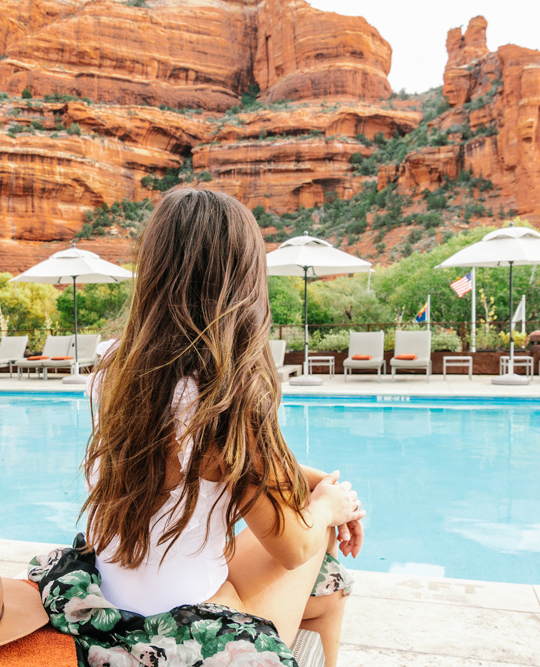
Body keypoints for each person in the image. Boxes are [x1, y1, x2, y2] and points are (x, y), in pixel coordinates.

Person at [30, 189, 365, 667]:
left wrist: (321, 484)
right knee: (320, 543)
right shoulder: (225, 396)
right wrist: (332, 507)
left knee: (326, 594)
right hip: (183, 633)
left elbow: (257, 467)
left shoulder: (111, 367)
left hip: (107, 605)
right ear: (242, 281)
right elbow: (293, 549)